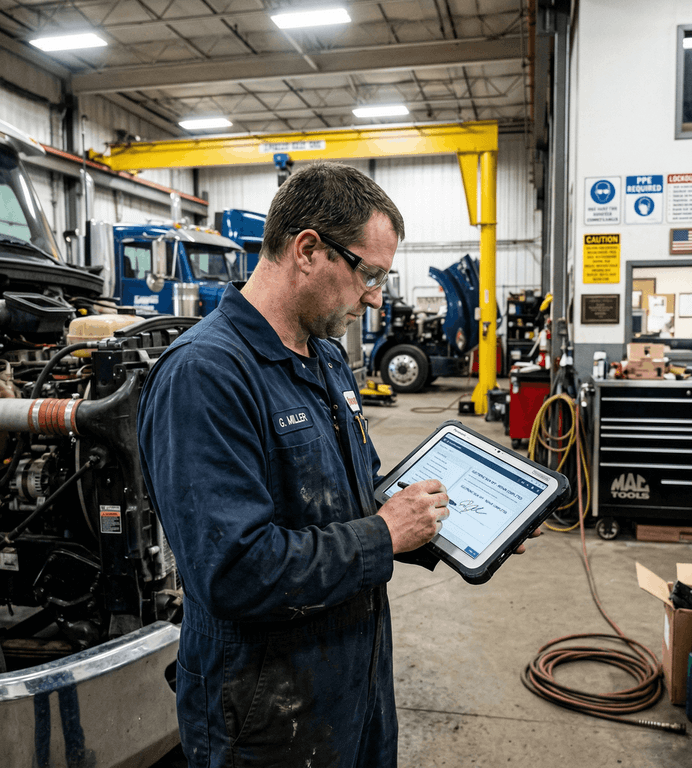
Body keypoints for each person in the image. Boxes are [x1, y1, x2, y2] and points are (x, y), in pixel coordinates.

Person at [137, 162, 532, 767]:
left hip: (354, 681)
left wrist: (452, 527)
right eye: (368, 273)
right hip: (265, 711)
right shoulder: (206, 374)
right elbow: (233, 569)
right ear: (307, 250)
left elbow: (360, 500)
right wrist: (385, 534)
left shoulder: (324, 357)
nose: (375, 296)